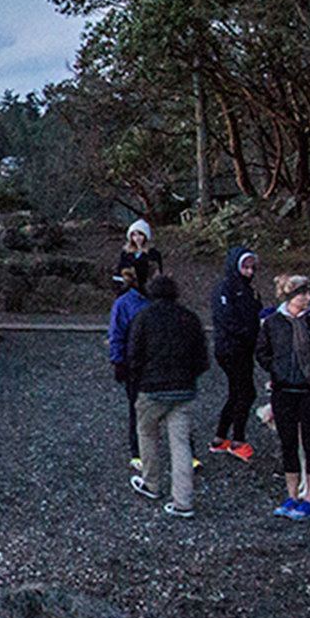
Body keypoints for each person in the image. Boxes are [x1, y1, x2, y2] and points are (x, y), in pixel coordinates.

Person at [255, 275, 310, 521]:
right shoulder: (273, 323)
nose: (308, 298)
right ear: (290, 296)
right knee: (288, 443)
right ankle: (292, 493)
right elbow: (262, 352)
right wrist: (278, 369)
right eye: (302, 293)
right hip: (284, 390)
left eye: (308, 292)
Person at [124, 274, 211, 518]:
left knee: (147, 433)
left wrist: (137, 379)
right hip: (183, 389)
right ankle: (183, 500)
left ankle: (151, 482)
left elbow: (133, 355)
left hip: (152, 389)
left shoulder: (144, 318)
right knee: (181, 443)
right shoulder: (190, 318)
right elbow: (202, 358)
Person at [209, 246, 262, 461]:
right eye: (245, 267)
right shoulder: (226, 289)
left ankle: (220, 437)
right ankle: (237, 439)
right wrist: (251, 332)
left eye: (252, 267)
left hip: (244, 348)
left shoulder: (249, 289)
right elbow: (228, 320)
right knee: (246, 392)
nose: (250, 272)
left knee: (237, 392)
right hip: (232, 348)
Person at [107, 266, 150, 469]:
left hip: (153, 361)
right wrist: (118, 361)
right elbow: (117, 334)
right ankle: (137, 450)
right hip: (134, 363)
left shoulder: (156, 301)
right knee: (137, 406)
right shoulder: (124, 303)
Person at [114, 218, 162, 288]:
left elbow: (157, 274)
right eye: (134, 235)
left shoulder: (153, 253)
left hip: (148, 290)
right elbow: (119, 271)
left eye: (140, 234)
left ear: (145, 236)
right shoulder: (126, 253)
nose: (137, 238)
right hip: (129, 290)